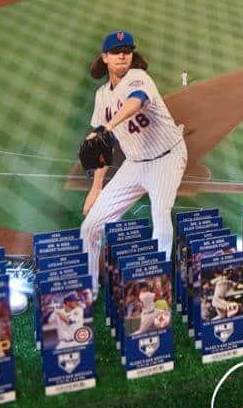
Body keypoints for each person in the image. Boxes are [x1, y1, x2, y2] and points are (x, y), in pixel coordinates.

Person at [80, 30, 187, 292]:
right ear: (105, 57)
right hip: (135, 164)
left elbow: (135, 103)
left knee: (160, 214)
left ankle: (158, 287)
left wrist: (107, 126)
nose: (123, 56)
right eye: (116, 52)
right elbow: (101, 150)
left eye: (127, 51)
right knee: (90, 226)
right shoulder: (102, 95)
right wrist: (96, 189)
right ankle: (90, 289)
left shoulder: (139, 78)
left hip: (167, 157)